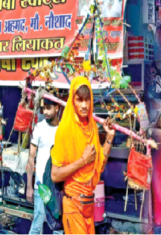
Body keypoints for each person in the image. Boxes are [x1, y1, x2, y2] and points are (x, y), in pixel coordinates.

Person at [50, 76, 115, 234]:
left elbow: (99, 168)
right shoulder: (64, 130)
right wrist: (82, 161)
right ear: (72, 101)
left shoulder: (92, 127)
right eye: (80, 100)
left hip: (88, 205)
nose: (85, 106)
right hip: (73, 205)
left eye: (87, 100)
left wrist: (109, 138)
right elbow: (55, 175)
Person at [27, 99, 60, 234]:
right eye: (43, 108)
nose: (45, 112)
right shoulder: (39, 128)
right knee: (36, 226)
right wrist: (29, 187)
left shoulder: (63, 129)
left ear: (57, 108)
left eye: (48, 108)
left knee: (58, 228)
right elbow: (31, 158)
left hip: (57, 187)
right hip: (41, 187)